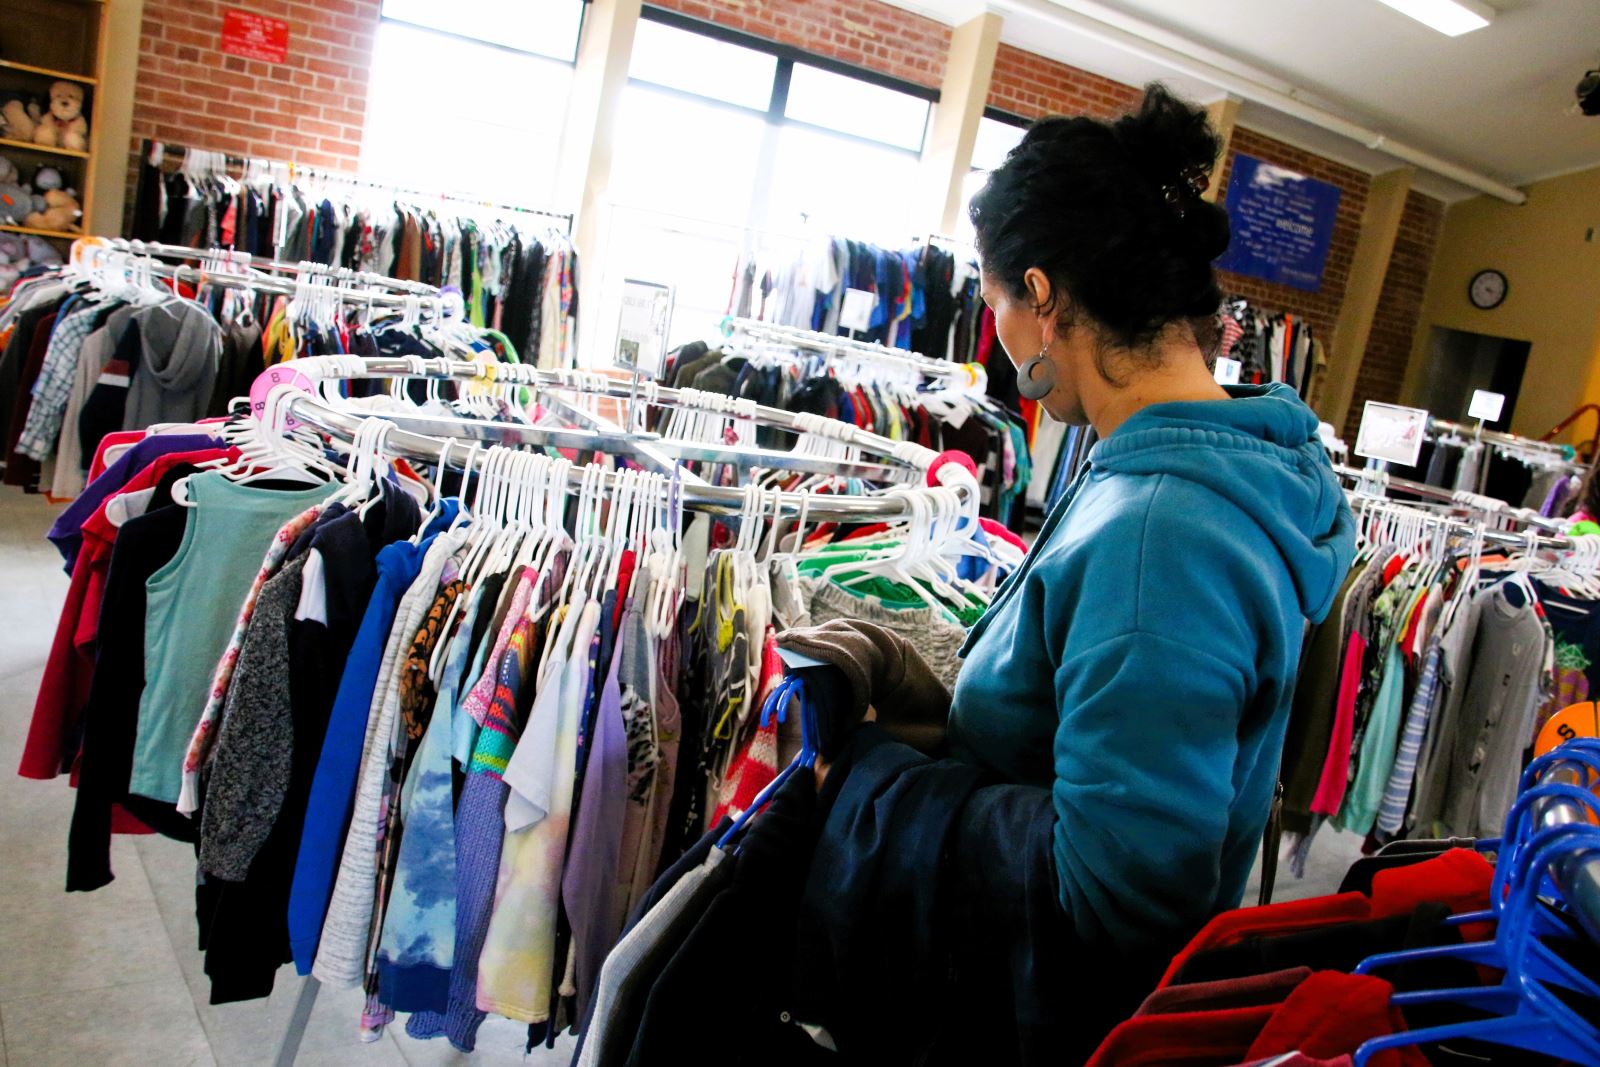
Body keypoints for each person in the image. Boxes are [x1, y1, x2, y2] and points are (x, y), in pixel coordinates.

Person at [783, 84, 1357, 1063]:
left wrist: (874, 781)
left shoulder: (1160, 537)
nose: (993, 328)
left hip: (1032, 1020)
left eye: (994, 296)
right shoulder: (1177, 461)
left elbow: (1120, 885)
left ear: (1042, 298)